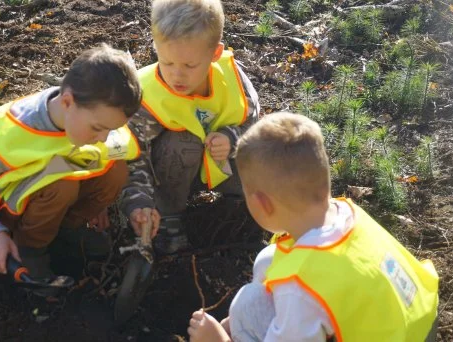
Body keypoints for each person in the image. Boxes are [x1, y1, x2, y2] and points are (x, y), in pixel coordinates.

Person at [187, 112, 439, 341]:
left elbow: (297, 290)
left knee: (246, 305)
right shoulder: (348, 213)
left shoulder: (298, 288)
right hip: (419, 325)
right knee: (268, 260)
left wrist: (218, 340)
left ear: (261, 204)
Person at [0, 44, 142, 287]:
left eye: (111, 130)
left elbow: (100, 157)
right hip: (10, 210)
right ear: (68, 101)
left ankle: (66, 231)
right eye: (98, 129)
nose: (104, 138)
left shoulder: (89, 115)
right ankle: (30, 249)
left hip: (51, 192)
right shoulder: (11, 131)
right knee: (61, 187)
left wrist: (98, 203)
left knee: (116, 170)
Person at [119, 0, 261, 254]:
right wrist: (139, 201)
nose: (177, 75)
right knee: (181, 141)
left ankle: (239, 210)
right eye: (167, 62)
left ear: (214, 54)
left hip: (223, 163)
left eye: (189, 66)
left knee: (264, 155)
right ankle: (169, 218)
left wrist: (231, 138)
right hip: (171, 173)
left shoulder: (232, 78)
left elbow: (253, 124)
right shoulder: (145, 94)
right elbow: (133, 155)